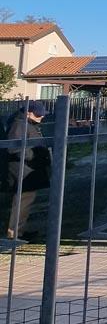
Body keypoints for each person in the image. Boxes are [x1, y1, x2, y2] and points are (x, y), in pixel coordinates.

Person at [5, 101, 51, 241]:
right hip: (22, 171)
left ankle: (18, 231)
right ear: (28, 112)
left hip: (28, 170)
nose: (41, 117)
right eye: (38, 114)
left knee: (25, 202)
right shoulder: (19, 125)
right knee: (22, 203)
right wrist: (34, 155)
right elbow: (14, 148)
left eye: (42, 114)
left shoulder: (27, 124)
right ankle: (14, 233)